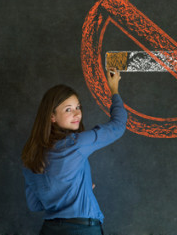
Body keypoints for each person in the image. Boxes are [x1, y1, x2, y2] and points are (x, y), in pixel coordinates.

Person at [21, 69, 127, 235]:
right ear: (52, 117)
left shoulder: (30, 156)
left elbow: (35, 205)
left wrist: (73, 192)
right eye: (68, 109)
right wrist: (114, 90)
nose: (77, 113)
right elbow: (118, 126)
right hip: (82, 230)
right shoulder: (75, 145)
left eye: (78, 107)